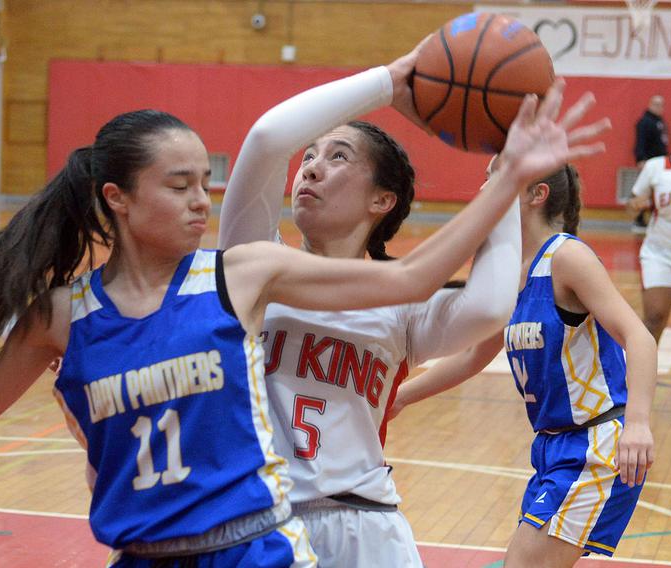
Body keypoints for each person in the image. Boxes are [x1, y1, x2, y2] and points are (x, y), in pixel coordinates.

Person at [0, 76, 606, 566]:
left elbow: (432, 280)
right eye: (182, 185)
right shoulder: (80, 311)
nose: (204, 202)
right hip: (147, 550)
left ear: (381, 199)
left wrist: (504, 182)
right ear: (118, 199)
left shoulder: (245, 274)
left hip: (274, 539)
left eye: (205, 185)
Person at [217, 52, 523, 566]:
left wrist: (506, 177)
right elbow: (270, 139)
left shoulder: (401, 304)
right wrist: (391, 80)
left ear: (382, 201)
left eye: (337, 157)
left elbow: (491, 306)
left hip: (367, 527)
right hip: (261, 524)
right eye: (309, 155)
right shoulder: (252, 269)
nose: (311, 166)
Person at [391, 164, 656, 566]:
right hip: (551, 447)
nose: (484, 185)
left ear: (538, 194)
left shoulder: (567, 257)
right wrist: (399, 397)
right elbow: (471, 357)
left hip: (595, 444)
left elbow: (639, 337)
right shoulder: (511, 269)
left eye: (499, 175)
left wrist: (637, 423)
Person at [628, 116, 671, 344]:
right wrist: (636, 205)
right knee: (654, 319)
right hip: (660, 253)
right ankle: (641, 376)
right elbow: (631, 205)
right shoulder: (655, 167)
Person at [631, 95, 668, 234]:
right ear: (651, 104)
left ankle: (655, 218)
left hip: (660, 162)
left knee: (657, 191)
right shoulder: (645, 122)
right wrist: (641, 159)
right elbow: (640, 143)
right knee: (643, 191)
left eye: (662, 105)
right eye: (658, 105)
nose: (660, 108)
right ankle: (639, 219)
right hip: (649, 163)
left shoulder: (659, 121)